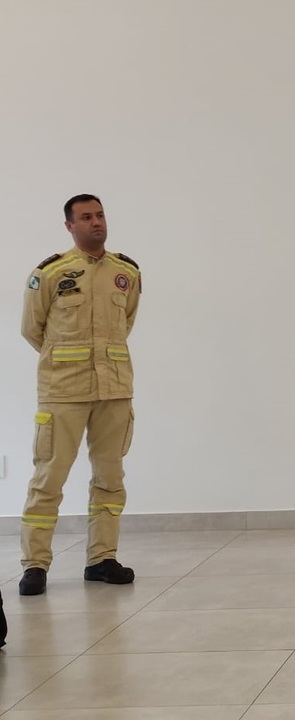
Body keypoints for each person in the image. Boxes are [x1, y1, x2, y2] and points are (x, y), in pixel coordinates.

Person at [18, 194, 140, 596]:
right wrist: (66, 362)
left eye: (100, 214)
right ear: (70, 226)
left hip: (114, 389)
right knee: (48, 478)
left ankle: (102, 558)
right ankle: (35, 564)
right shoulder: (50, 273)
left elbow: (126, 321)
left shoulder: (126, 272)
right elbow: (32, 329)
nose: (96, 222)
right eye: (86, 217)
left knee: (110, 477)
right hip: (63, 391)